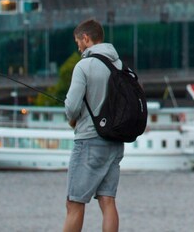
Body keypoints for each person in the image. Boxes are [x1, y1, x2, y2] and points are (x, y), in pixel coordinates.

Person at [63, 18, 125, 232]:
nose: (78, 46)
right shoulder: (119, 64)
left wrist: (73, 117)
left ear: (86, 38)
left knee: (74, 202)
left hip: (89, 141)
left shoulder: (84, 65)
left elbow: (71, 107)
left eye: (78, 41)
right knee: (107, 201)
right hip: (115, 142)